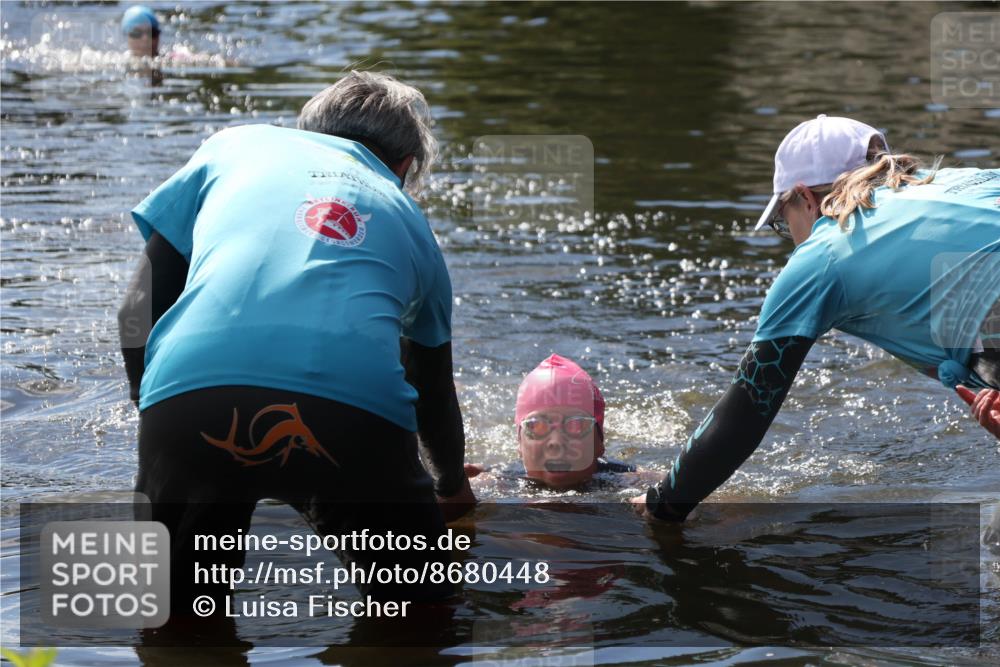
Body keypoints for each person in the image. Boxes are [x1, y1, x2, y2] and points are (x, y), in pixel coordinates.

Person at [117, 71, 475, 616]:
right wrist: (449, 485)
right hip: (351, 415)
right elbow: (431, 390)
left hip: (188, 398)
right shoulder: (411, 221)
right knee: (423, 619)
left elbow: (135, 310)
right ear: (404, 165)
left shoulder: (233, 146)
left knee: (174, 622)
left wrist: (160, 412)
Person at [634, 115, 1000, 521]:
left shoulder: (824, 251)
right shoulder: (965, 180)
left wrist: (663, 504)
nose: (789, 237)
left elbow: (746, 409)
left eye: (781, 222)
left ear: (805, 198)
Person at [465, 354, 638, 489]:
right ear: (520, 445)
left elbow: (659, 482)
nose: (556, 442)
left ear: (600, 444)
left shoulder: (624, 478)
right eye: (537, 426)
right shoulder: (504, 479)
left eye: (577, 425)